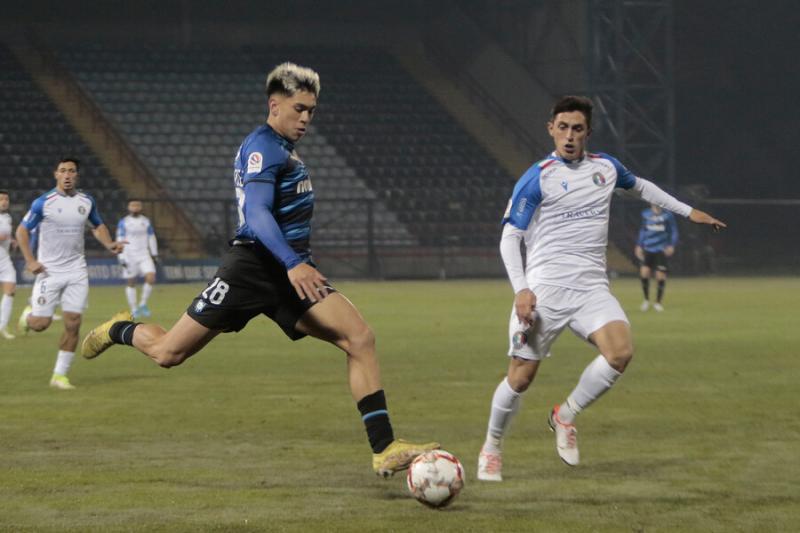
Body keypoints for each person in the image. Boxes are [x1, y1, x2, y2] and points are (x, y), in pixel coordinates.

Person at [81, 62, 438, 477]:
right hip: (251, 269)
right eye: (299, 108)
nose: (306, 118)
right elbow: (256, 212)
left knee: (359, 338)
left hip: (289, 273)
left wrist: (294, 263)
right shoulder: (263, 147)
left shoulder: (284, 149)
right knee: (168, 353)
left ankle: (384, 447)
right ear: (274, 105)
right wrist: (293, 262)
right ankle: (118, 329)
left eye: (311, 111)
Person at [476, 96, 726, 481]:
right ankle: (492, 447)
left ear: (588, 132)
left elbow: (643, 188)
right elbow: (510, 237)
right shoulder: (538, 177)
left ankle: (565, 415)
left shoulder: (606, 168)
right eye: (563, 127)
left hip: (591, 288)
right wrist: (521, 289)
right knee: (521, 377)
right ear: (551, 129)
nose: (569, 136)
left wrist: (688, 211)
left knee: (620, 352)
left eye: (577, 129)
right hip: (545, 291)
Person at [15, 157, 125, 389]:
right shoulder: (43, 203)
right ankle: (29, 316)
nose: (67, 175)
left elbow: (98, 225)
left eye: (72, 171)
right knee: (40, 324)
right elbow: (22, 231)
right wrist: (30, 260)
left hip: (77, 271)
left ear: (77, 175)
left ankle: (59, 375)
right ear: (56, 174)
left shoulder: (86, 201)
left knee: (73, 323)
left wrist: (109, 243)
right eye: (63, 170)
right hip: (49, 272)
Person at [117, 199, 159, 318]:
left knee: (151, 277)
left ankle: (143, 304)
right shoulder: (124, 222)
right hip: (129, 255)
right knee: (131, 282)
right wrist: (121, 256)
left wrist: (154, 253)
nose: (135, 207)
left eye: (137, 205)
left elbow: (151, 237)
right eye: (132, 205)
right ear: (128, 207)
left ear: (141, 207)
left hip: (144, 254)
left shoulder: (146, 221)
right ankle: (134, 308)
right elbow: (120, 239)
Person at [635, 204, 678, 311]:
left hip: (661, 249)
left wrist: (671, 245)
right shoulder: (645, 214)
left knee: (660, 276)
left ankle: (658, 303)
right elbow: (643, 230)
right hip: (647, 248)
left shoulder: (668, 215)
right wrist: (639, 245)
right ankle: (646, 300)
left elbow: (673, 231)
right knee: (644, 273)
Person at [0, 190, 17, 339]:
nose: (4, 202)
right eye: (1, 199)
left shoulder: (8, 218)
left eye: (6, 199)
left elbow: (6, 236)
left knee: (10, 289)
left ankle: (2, 326)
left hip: (4, 259)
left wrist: (11, 240)